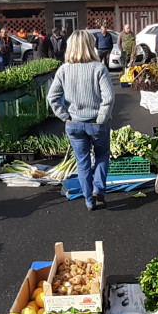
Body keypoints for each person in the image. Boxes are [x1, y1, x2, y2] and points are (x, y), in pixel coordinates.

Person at [47, 30, 115, 211]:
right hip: (96, 124)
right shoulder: (98, 68)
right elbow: (108, 98)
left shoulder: (64, 69)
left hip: (74, 124)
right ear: (90, 46)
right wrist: (101, 119)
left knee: (82, 162)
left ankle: (88, 200)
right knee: (102, 155)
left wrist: (65, 117)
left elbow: (52, 97)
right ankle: (98, 189)